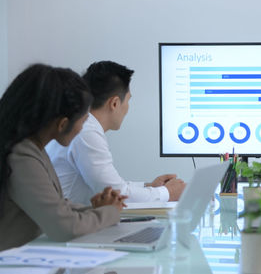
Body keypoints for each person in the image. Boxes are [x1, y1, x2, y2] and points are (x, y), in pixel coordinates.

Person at [0, 64, 127, 251]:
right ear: (62, 124)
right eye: (83, 121)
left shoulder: (29, 148)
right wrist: (109, 212)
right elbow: (64, 228)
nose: (83, 129)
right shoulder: (21, 156)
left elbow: (55, 206)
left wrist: (99, 210)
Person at [46, 61, 185, 206]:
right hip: (73, 223)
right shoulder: (87, 132)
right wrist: (167, 193)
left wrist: (150, 187)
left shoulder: (86, 126)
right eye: (128, 100)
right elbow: (116, 193)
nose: (128, 108)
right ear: (114, 103)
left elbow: (114, 185)